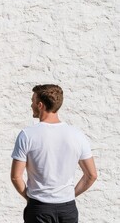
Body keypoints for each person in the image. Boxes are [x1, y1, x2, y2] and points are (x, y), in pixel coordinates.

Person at [10, 84, 97, 223]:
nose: (30, 105)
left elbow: (15, 177)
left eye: (32, 101)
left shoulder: (27, 135)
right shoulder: (77, 135)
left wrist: (30, 198)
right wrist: (69, 195)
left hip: (39, 208)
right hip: (68, 208)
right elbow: (91, 175)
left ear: (40, 105)